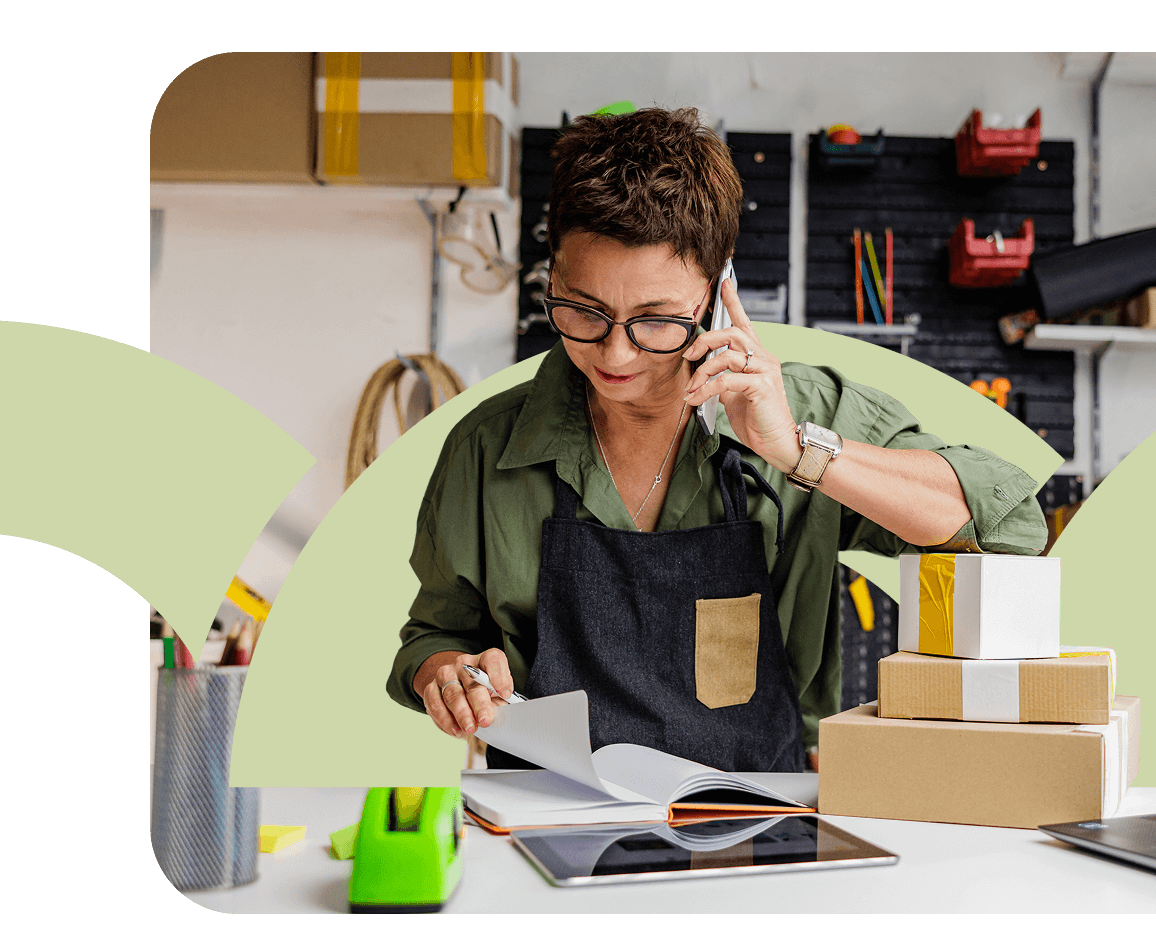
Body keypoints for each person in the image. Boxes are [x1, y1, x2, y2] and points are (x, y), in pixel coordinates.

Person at [387, 107, 1047, 772]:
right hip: (552, 810)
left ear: (712, 291)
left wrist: (797, 452)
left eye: (654, 318)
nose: (616, 352)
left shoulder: (805, 414)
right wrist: (449, 674)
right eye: (584, 310)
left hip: (758, 809)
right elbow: (435, 635)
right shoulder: (485, 446)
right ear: (553, 274)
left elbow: (1008, 527)